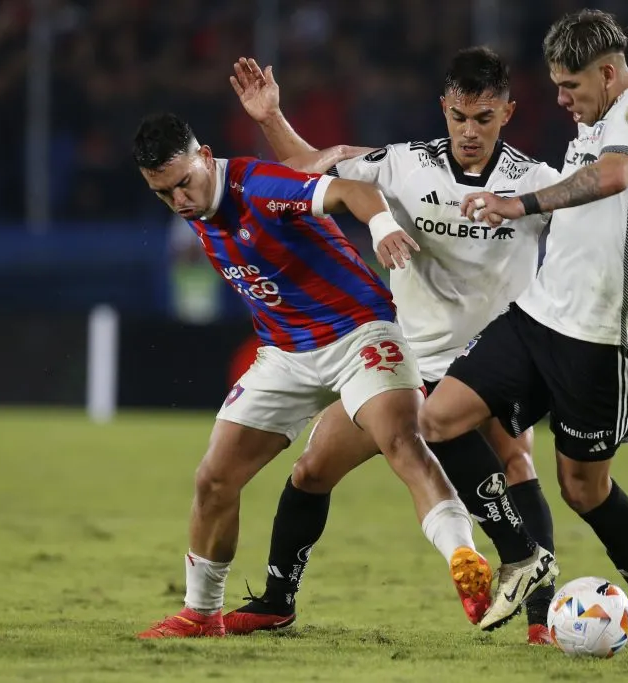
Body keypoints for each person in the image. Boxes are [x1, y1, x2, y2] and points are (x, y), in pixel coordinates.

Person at [223, 48, 558, 641]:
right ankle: (277, 600)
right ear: (443, 110)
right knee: (310, 470)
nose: (469, 132)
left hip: (492, 363)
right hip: (404, 362)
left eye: (484, 118)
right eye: (459, 117)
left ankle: (540, 622)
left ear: (509, 111)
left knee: (516, 463)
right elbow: (308, 169)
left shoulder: (536, 185)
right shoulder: (404, 165)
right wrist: (270, 117)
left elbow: (593, 235)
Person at [131, 112, 495, 638]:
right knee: (214, 480)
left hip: (361, 333)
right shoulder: (191, 203)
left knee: (402, 441)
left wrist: (384, 225)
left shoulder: (257, 186)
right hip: (285, 353)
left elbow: (349, 190)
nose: (179, 201)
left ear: (205, 157)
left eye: (184, 182)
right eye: (163, 194)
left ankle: (464, 557)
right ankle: (203, 613)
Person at [418, 9, 628, 645]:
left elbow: (616, 175)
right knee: (438, 418)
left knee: (583, 490)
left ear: (610, 71)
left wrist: (520, 203)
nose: (562, 99)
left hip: (601, 337)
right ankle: (520, 552)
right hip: (539, 314)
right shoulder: (594, 121)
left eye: (572, 86)